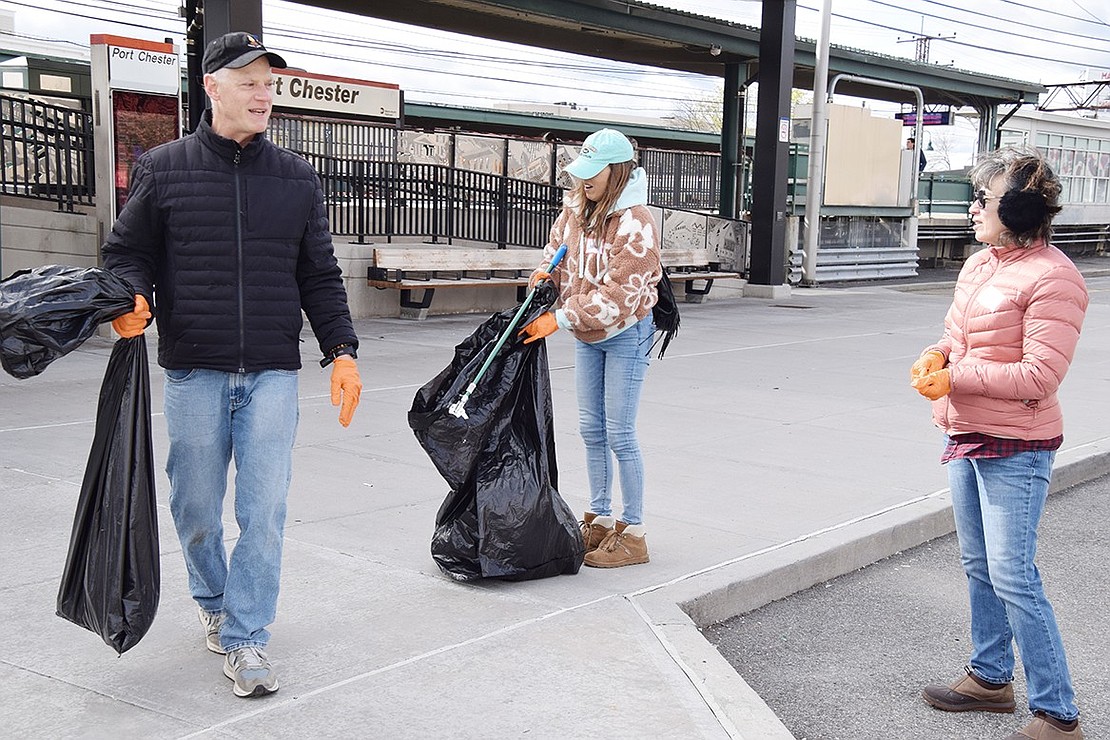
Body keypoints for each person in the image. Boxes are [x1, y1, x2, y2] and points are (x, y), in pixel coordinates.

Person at [102, 31, 363, 698]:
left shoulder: (297, 179)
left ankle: (247, 636)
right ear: (213, 87)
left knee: (264, 510)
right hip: (195, 369)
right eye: (248, 81)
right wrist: (131, 296)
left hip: (273, 370)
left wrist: (342, 352)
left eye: (269, 81)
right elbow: (127, 253)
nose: (263, 92)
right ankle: (212, 597)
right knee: (194, 507)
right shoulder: (164, 168)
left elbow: (321, 275)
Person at [910, 146, 1088, 739]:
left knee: (1014, 574)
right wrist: (939, 355)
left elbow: (1041, 375)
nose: (973, 209)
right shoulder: (981, 265)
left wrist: (956, 376)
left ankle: (1057, 714)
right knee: (978, 565)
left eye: (983, 199)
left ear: (1018, 207)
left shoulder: (1055, 277)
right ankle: (990, 679)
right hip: (967, 431)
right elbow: (958, 334)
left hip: (1018, 446)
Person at [519, 128, 662, 569]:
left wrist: (559, 318)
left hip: (627, 333)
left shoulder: (636, 223)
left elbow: (621, 294)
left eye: (593, 174)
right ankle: (599, 520)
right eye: (580, 174)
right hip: (588, 334)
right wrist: (543, 276)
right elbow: (555, 251)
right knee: (590, 429)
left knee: (620, 432)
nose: (584, 182)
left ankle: (633, 533)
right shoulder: (577, 211)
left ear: (615, 172)